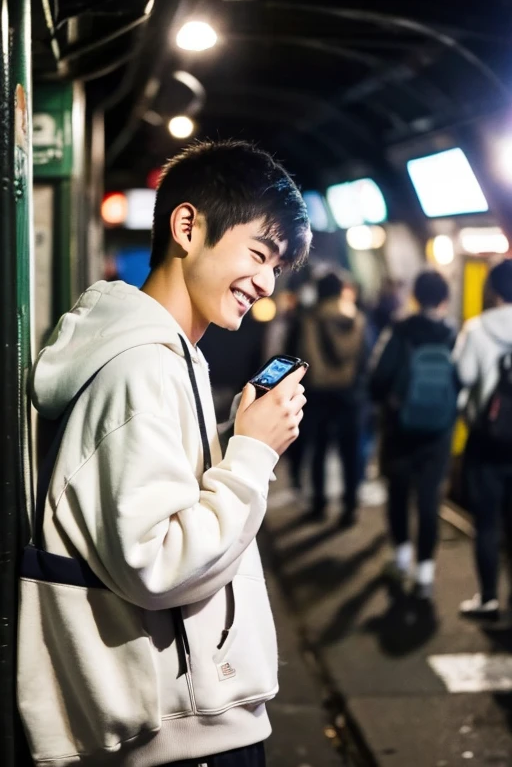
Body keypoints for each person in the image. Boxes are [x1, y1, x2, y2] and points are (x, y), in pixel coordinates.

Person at [21, 140, 311, 767]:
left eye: (276, 267)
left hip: (185, 728)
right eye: (258, 254)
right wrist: (253, 454)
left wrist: (240, 439)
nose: (264, 282)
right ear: (187, 227)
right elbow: (157, 563)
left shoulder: (163, 353)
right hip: (177, 742)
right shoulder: (142, 367)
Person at [370, 269, 458, 600]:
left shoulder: (401, 330)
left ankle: (401, 559)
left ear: (416, 297)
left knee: (398, 493)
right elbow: (460, 382)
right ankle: (425, 574)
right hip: (438, 432)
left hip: (400, 429)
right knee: (429, 499)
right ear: (445, 299)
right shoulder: (452, 334)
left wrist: (386, 405)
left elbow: (379, 378)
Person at [454, 258, 512, 620]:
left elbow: (461, 376)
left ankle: (488, 597)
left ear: (492, 290)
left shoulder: (476, 330)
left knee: (487, 522)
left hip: (486, 442)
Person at [291, 271, 369, 527]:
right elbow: (365, 359)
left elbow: (295, 354)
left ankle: (319, 504)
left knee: (319, 450)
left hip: (318, 392)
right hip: (349, 394)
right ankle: (350, 507)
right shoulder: (357, 318)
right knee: (350, 451)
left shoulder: (310, 317)